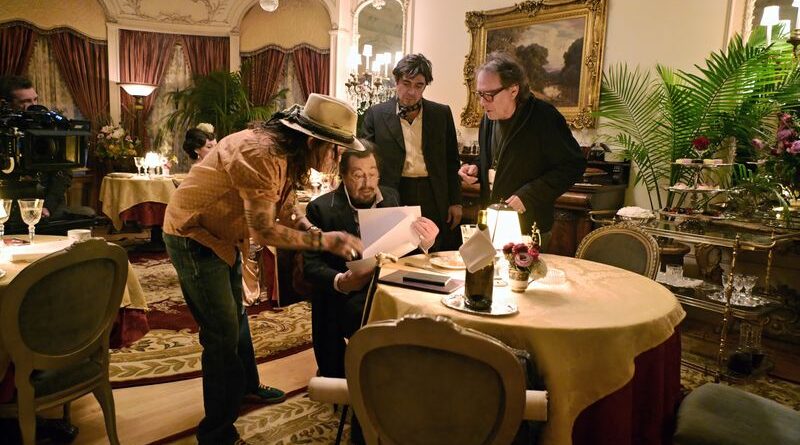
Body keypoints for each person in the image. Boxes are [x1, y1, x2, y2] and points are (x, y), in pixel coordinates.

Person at [162, 93, 366, 445]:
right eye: (336, 150)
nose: (339, 159)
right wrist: (324, 242)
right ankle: (216, 432)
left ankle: (246, 387)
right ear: (313, 142)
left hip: (224, 234)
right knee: (221, 335)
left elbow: (285, 205)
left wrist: (312, 229)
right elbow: (264, 230)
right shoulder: (262, 154)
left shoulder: (286, 153)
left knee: (236, 318)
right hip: (193, 234)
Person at [303, 144, 438, 445]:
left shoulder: (390, 197)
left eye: (373, 173)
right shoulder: (321, 209)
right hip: (347, 297)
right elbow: (310, 268)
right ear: (343, 176)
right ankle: (372, 400)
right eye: (358, 175)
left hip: (391, 287)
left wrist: (426, 243)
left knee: (428, 316)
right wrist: (342, 281)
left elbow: (406, 250)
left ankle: (409, 391)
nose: (368, 183)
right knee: (377, 331)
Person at [459, 52, 586, 251]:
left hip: (529, 227)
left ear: (513, 90)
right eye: (479, 94)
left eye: (489, 95)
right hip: (492, 223)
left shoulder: (544, 117)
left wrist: (528, 196)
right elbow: (495, 159)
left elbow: (573, 166)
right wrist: (475, 168)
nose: (482, 103)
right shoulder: (488, 118)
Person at [360, 53, 462, 250]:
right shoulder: (376, 114)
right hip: (393, 192)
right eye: (406, 83)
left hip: (433, 193)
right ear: (396, 81)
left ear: (425, 86)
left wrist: (456, 202)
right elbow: (365, 160)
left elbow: (452, 161)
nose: (411, 92)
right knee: (396, 250)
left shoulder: (441, 114)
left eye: (419, 85)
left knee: (433, 250)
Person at [0, 75, 91, 221]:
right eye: (24, 102)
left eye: (35, 99)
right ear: (6, 104)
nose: (32, 105)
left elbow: (63, 172)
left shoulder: (50, 126)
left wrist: (47, 206)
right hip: (9, 201)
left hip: (48, 202)